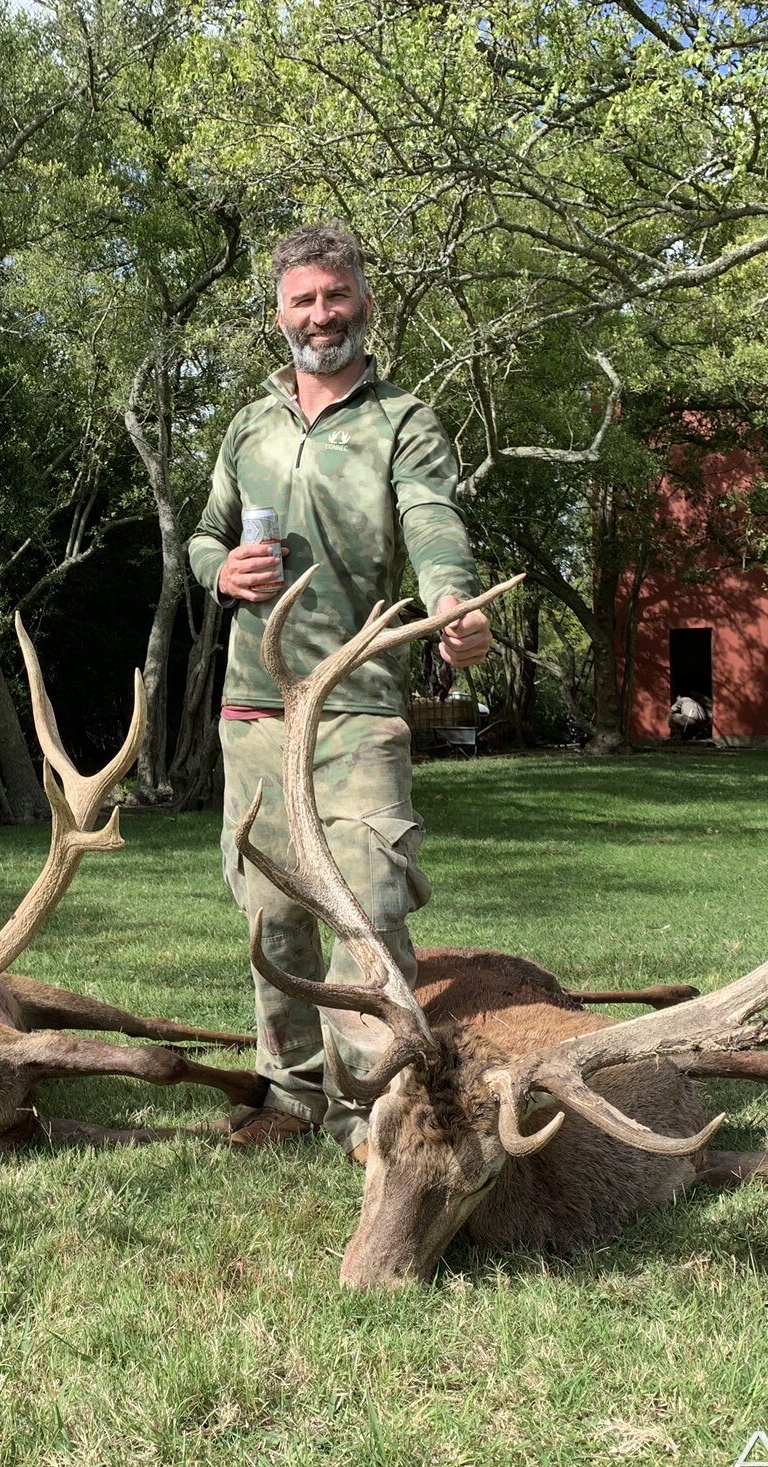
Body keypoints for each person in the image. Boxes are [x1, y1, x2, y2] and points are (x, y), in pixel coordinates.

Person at [186, 224, 492, 1163]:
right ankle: (288, 1094)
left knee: (368, 908)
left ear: (365, 299)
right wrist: (220, 571)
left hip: (356, 707)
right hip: (254, 711)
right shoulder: (248, 424)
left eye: (335, 295)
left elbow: (432, 523)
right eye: (302, 300)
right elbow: (203, 536)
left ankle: (381, 1109)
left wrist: (452, 604)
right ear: (278, 314)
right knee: (271, 909)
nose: (321, 314)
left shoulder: (404, 421)